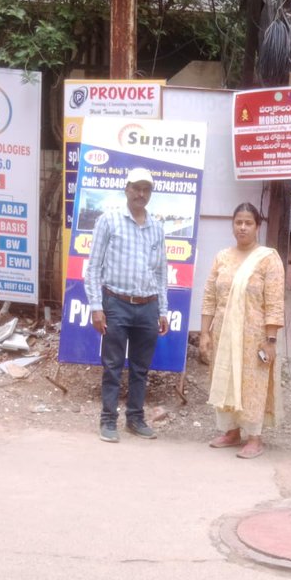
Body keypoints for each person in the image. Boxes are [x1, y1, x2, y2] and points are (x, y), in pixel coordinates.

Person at [85, 167, 170, 442]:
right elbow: (93, 267)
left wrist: (162, 309)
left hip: (147, 305)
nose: (141, 194)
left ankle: (135, 418)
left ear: (151, 193)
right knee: (112, 366)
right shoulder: (109, 221)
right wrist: (97, 306)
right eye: (136, 188)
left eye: (146, 189)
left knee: (140, 368)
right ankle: (108, 421)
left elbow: (160, 272)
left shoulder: (157, 227)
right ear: (126, 189)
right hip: (116, 303)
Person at [199, 203, 285, 459]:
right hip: (223, 335)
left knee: (252, 384)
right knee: (226, 379)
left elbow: (274, 303)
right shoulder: (222, 257)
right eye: (238, 222)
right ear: (232, 225)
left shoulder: (268, 259)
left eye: (248, 222)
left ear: (258, 226)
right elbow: (209, 298)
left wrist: (270, 340)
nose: (243, 227)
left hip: (254, 337)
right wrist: (204, 333)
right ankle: (231, 431)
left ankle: (255, 438)